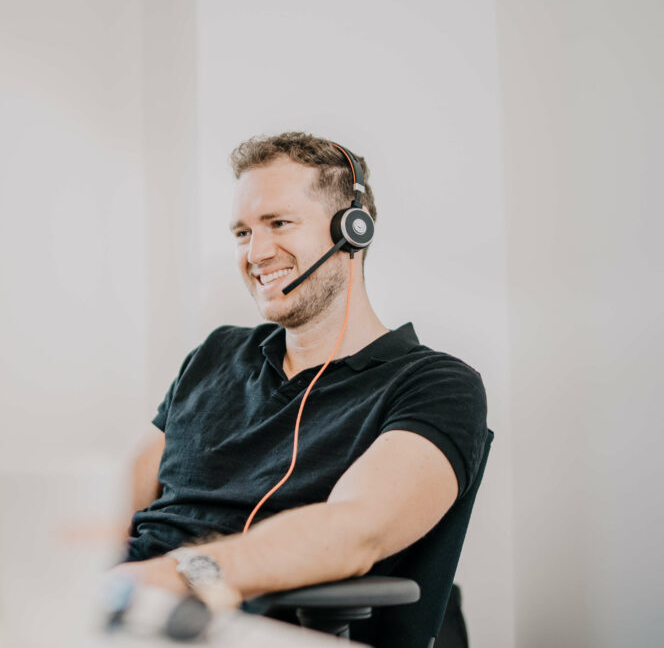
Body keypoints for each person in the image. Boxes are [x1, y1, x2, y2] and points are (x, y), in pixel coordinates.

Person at [118, 132, 489, 609]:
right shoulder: (216, 353)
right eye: (242, 232)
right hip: (117, 603)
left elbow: (356, 530)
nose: (255, 254)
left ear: (352, 231)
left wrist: (168, 580)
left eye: (279, 223)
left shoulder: (434, 386)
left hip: (223, 617)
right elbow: (113, 503)